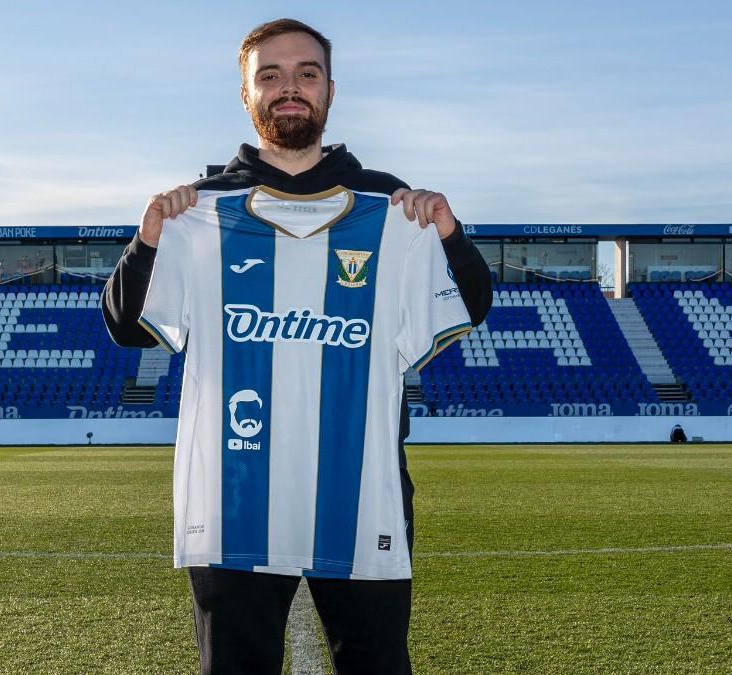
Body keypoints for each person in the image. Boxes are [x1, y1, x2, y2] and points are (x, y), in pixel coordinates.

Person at [103, 18, 491, 674]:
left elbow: (471, 302)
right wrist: (148, 240)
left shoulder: (389, 211)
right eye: (271, 75)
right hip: (234, 502)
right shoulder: (199, 216)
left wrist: (448, 235)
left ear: (330, 90)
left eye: (306, 74)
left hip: (362, 492)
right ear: (246, 93)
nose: (290, 88)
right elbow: (125, 323)